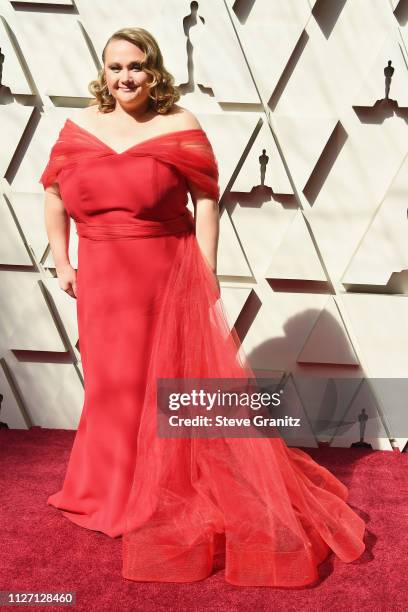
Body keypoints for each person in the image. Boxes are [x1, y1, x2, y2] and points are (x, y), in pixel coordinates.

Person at [39, 27, 366, 587]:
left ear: (155, 70)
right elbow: (52, 194)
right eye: (115, 67)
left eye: (136, 66)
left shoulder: (181, 125)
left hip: (165, 274)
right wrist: (64, 264)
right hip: (100, 280)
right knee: (110, 385)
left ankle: (161, 495)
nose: (125, 78)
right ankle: (107, 492)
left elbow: (207, 201)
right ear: (103, 71)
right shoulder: (78, 129)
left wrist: (206, 271)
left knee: (161, 387)